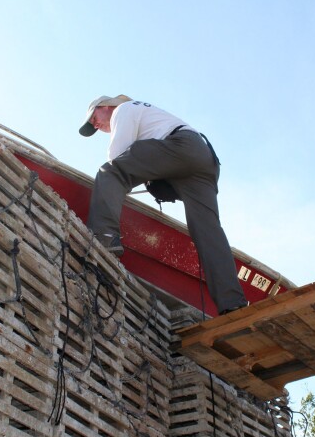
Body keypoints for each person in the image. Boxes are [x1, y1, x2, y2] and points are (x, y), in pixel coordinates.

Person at [79, 95, 248, 315]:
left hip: (181, 147)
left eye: (94, 118)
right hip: (203, 159)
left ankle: (104, 236)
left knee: (109, 172)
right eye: (93, 126)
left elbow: (117, 159)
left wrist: (113, 189)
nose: (96, 125)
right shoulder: (148, 117)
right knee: (207, 231)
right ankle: (233, 304)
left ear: (107, 106)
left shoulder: (124, 109)